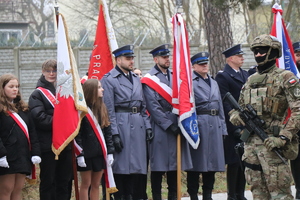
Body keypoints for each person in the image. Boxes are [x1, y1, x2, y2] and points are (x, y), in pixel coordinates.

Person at [229, 34, 300, 199]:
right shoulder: (250, 80)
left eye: (263, 51)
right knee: (258, 193)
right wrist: (234, 116)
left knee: (280, 194)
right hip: (251, 147)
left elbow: (298, 110)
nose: (258, 54)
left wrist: (283, 136)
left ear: (274, 52)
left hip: (273, 145)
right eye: (256, 51)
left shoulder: (286, 77)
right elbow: (238, 107)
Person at [101, 45, 152, 200]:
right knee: (121, 168)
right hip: (121, 124)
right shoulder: (109, 79)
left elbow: (143, 107)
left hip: (138, 126)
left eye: (132, 58)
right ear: (118, 60)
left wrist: (148, 126)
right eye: (128, 58)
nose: (131, 61)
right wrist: (114, 133)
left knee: (136, 170)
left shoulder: (136, 79)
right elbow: (108, 110)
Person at [141, 44, 192, 200]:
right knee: (158, 166)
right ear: (156, 59)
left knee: (174, 167)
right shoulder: (150, 79)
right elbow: (153, 106)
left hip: (177, 123)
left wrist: (181, 121)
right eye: (164, 57)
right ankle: (157, 197)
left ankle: (173, 196)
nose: (167, 59)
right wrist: (169, 125)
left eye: (168, 56)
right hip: (160, 127)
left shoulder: (175, 76)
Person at [29, 59, 73, 200]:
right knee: (49, 182)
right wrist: (61, 122)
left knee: (64, 181)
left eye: (54, 71)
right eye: (48, 71)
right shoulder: (37, 94)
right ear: (43, 72)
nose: (52, 73)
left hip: (65, 144)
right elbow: (40, 118)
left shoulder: (64, 91)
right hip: (48, 145)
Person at [186, 52, 227, 200]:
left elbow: (220, 105)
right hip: (199, 124)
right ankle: (193, 195)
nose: (205, 66)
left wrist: (223, 127)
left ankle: (208, 194)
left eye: (206, 63)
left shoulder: (213, 81)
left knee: (212, 164)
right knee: (196, 164)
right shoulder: (190, 82)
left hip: (215, 123)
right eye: (201, 64)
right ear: (193, 66)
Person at [215, 44, 248, 200]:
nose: (242, 58)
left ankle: (240, 193)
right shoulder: (223, 76)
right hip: (232, 123)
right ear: (230, 58)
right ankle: (232, 195)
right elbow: (224, 102)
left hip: (246, 122)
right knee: (234, 160)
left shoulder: (245, 74)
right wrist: (234, 125)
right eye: (239, 56)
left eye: (242, 55)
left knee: (245, 159)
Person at [0, 73, 41, 200]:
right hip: (7, 157)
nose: (15, 89)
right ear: (2, 88)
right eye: (11, 86)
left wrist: (35, 152)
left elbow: (32, 132)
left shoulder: (23, 109)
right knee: (6, 189)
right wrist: (1, 155)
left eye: (17, 86)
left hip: (22, 155)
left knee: (17, 190)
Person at [75, 79, 115, 200]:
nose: (102, 89)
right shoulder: (81, 110)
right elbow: (78, 134)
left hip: (99, 153)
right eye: (98, 87)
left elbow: (108, 131)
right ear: (91, 90)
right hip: (86, 154)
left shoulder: (102, 108)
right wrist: (80, 154)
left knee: (96, 184)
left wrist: (110, 152)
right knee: (86, 184)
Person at [291, 41, 300, 199]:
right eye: (297, 55)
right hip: (295, 123)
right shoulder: (289, 72)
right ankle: (299, 189)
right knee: (297, 159)